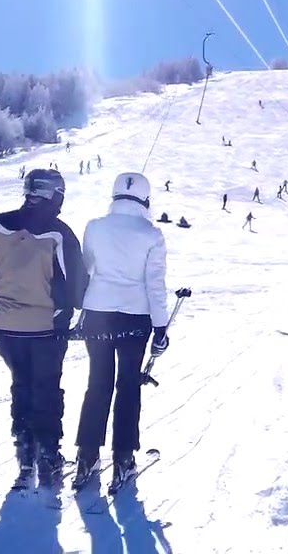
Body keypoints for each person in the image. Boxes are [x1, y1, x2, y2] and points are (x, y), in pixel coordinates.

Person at [0, 169, 86, 491]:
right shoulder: (59, 233)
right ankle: (49, 457)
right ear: (55, 195)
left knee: (22, 385)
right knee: (47, 390)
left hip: (5, 327)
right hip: (46, 329)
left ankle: (25, 455)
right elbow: (77, 286)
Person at [72, 172, 170, 492]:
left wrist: (78, 310)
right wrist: (160, 327)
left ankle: (87, 456)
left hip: (98, 314)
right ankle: (124, 458)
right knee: (128, 386)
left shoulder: (95, 227)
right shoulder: (152, 234)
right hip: (135, 318)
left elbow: (85, 271)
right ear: (145, 198)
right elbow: (155, 285)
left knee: (97, 382)